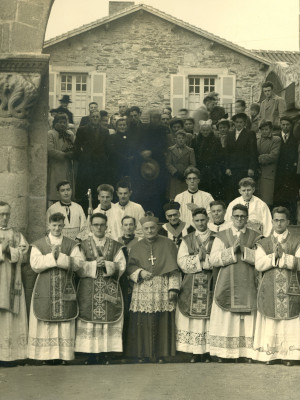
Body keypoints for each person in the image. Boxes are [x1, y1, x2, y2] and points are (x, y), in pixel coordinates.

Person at [28, 212, 82, 363]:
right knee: (44, 317)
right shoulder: (39, 244)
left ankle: (63, 356)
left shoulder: (72, 244)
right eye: (54, 225)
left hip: (65, 285)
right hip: (44, 285)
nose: (57, 228)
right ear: (48, 225)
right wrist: (52, 257)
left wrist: (61, 257)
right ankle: (45, 356)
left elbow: (78, 264)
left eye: (60, 225)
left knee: (64, 320)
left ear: (64, 225)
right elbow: (35, 264)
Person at [126, 214, 181, 363]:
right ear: (142, 230)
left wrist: (173, 289)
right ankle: (142, 354)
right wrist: (140, 272)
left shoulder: (168, 244)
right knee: (142, 319)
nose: (149, 231)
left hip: (162, 286)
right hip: (143, 288)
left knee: (162, 319)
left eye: (152, 228)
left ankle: (161, 354)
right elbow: (130, 267)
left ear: (157, 228)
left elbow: (175, 269)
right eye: (146, 228)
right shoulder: (136, 247)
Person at [209, 204, 261, 362]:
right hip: (226, 282)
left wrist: (244, 250)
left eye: (242, 216)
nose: (239, 219)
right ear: (231, 218)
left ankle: (247, 353)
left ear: (247, 218)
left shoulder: (256, 236)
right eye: (236, 216)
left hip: (248, 282)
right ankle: (225, 353)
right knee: (227, 318)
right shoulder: (222, 236)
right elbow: (213, 259)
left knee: (248, 317)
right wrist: (231, 251)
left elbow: (260, 258)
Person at [75, 213, 126, 365]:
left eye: (101, 224)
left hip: (108, 287)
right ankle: (90, 354)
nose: (98, 227)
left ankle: (106, 353)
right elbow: (77, 266)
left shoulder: (115, 245)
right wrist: (92, 265)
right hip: (88, 288)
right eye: (95, 224)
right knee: (89, 321)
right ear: (90, 227)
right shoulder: (82, 245)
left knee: (108, 321)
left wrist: (108, 265)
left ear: (106, 226)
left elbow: (122, 265)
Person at [253, 207, 300, 366]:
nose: (278, 223)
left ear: (288, 222)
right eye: (276, 220)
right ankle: (270, 355)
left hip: (291, 287)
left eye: (282, 220)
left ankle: (290, 356)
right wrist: (274, 256)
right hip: (269, 287)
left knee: (290, 322)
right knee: (271, 320)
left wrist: (283, 257)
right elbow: (259, 264)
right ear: (271, 221)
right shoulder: (263, 242)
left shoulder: (297, 241)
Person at [176, 208, 215, 363]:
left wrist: (206, 260)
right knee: (193, 319)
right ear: (193, 221)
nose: (200, 223)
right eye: (197, 220)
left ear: (208, 219)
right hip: (191, 283)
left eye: (203, 220)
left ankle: (207, 351)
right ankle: (194, 351)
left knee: (208, 318)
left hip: (210, 282)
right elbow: (181, 262)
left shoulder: (217, 238)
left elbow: (219, 259)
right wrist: (198, 259)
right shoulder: (187, 239)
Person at [0, 201, 28, 366]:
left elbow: (24, 254)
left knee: (11, 316)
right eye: (1, 214)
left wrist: (9, 250)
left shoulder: (17, 235)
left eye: (7, 214)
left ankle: (11, 355)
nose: (4, 218)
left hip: (12, 282)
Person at [74, 111, 110, 209]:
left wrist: (103, 160)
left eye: (97, 117)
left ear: (100, 118)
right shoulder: (82, 130)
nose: (95, 118)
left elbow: (107, 149)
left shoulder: (105, 131)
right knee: (86, 189)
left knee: (97, 189)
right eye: (93, 116)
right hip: (87, 165)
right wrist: (83, 158)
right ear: (90, 118)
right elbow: (76, 147)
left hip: (100, 165)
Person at [225, 112, 257, 201]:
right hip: (232, 168)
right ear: (234, 123)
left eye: (241, 122)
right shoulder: (230, 134)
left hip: (244, 168)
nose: (239, 124)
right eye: (237, 122)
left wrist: (251, 168)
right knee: (233, 191)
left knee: (244, 189)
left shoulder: (250, 133)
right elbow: (227, 152)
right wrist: (227, 167)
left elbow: (253, 152)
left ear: (244, 123)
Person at [273, 116, 299, 224]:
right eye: (283, 124)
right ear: (280, 125)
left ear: (291, 126)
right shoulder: (276, 138)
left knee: (291, 198)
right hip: (279, 174)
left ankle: (291, 221)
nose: (285, 127)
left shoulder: (295, 139)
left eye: (287, 125)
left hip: (291, 175)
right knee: (279, 198)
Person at [47, 113, 75, 204]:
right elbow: (50, 150)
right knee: (55, 190)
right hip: (55, 166)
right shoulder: (50, 134)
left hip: (67, 166)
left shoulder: (70, 134)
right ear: (55, 123)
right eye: (60, 122)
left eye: (64, 122)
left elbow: (74, 147)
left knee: (67, 188)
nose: (63, 124)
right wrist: (65, 155)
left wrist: (73, 153)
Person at [193, 120, 223, 199]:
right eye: (203, 130)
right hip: (201, 169)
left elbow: (219, 154)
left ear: (210, 130)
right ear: (200, 130)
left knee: (213, 188)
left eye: (207, 130)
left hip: (213, 169)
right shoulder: (196, 140)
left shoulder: (216, 140)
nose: (205, 132)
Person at [257, 120, 281, 207]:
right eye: (262, 129)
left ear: (271, 129)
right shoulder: (257, 140)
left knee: (267, 200)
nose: (264, 131)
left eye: (266, 129)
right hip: (259, 173)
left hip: (269, 173)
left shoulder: (276, 139)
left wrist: (259, 158)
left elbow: (274, 156)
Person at [166, 130, 196, 199]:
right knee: (174, 196)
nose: (181, 140)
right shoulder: (170, 150)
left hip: (185, 176)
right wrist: (175, 172)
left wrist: (186, 172)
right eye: (179, 138)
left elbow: (193, 164)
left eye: (183, 138)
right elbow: (168, 163)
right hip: (174, 176)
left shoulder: (190, 150)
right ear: (175, 139)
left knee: (185, 196)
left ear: (185, 139)